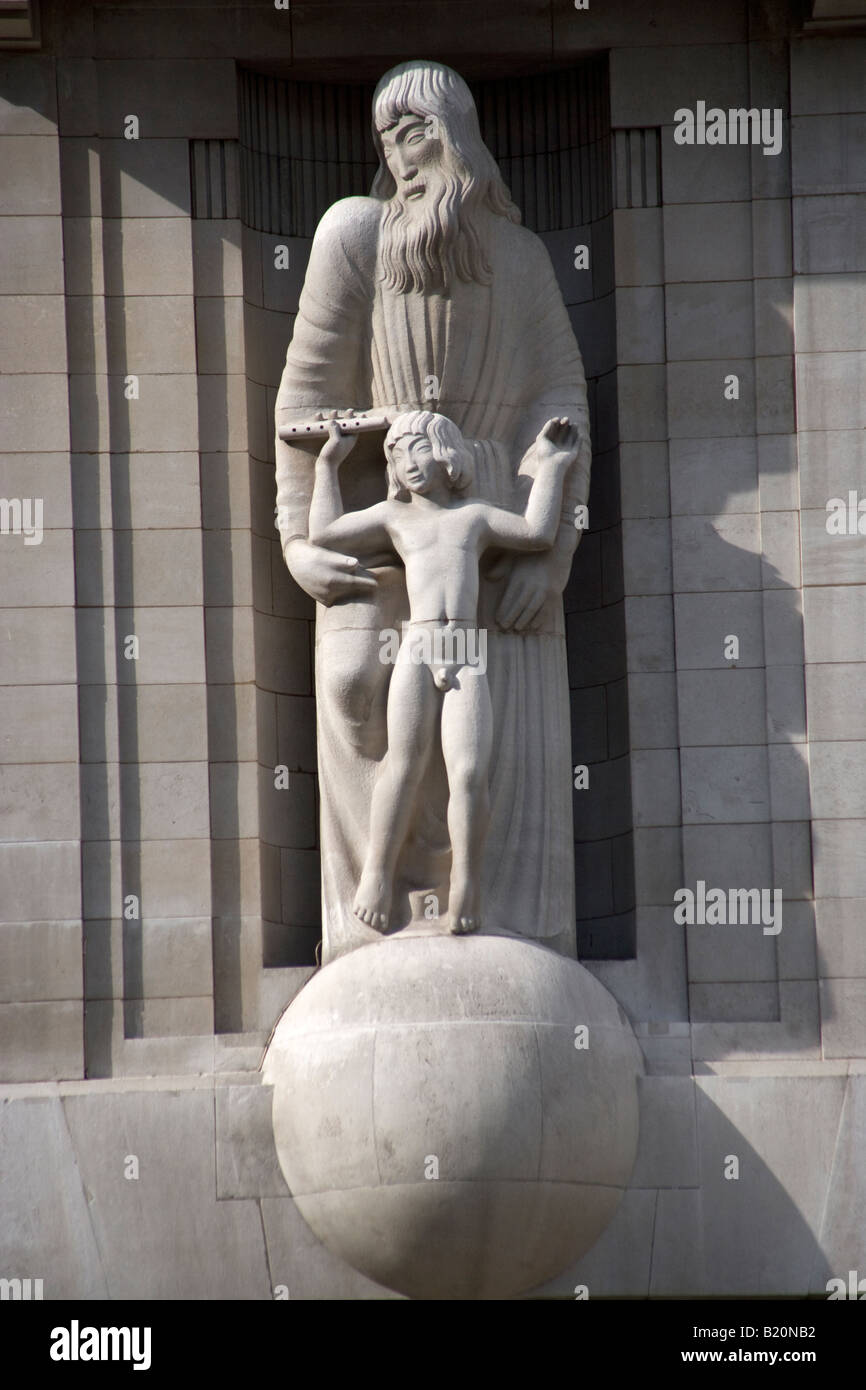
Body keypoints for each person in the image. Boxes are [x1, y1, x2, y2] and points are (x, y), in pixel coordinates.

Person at [275, 59, 591, 960]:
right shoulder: (354, 234)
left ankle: (483, 906)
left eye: (416, 131)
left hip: (489, 528)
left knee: (475, 760)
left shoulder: (522, 258)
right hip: (390, 521)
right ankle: (368, 908)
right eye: (387, 138)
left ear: (457, 132)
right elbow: (302, 409)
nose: (401, 155)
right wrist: (298, 541)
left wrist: (554, 555)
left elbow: (563, 399)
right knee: (350, 687)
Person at [307, 411, 580, 935]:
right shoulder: (393, 517)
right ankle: (377, 877)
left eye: (418, 449)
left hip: (465, 647)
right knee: (402, 764)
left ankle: (466, 885)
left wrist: (551, 465)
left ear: (448, 452)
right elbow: (323, 532)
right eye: (396, 453)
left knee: (469, 772)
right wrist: (328, 463)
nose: (408, 463)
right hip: (416, 645)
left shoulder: (474, 517)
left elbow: (537, 532)